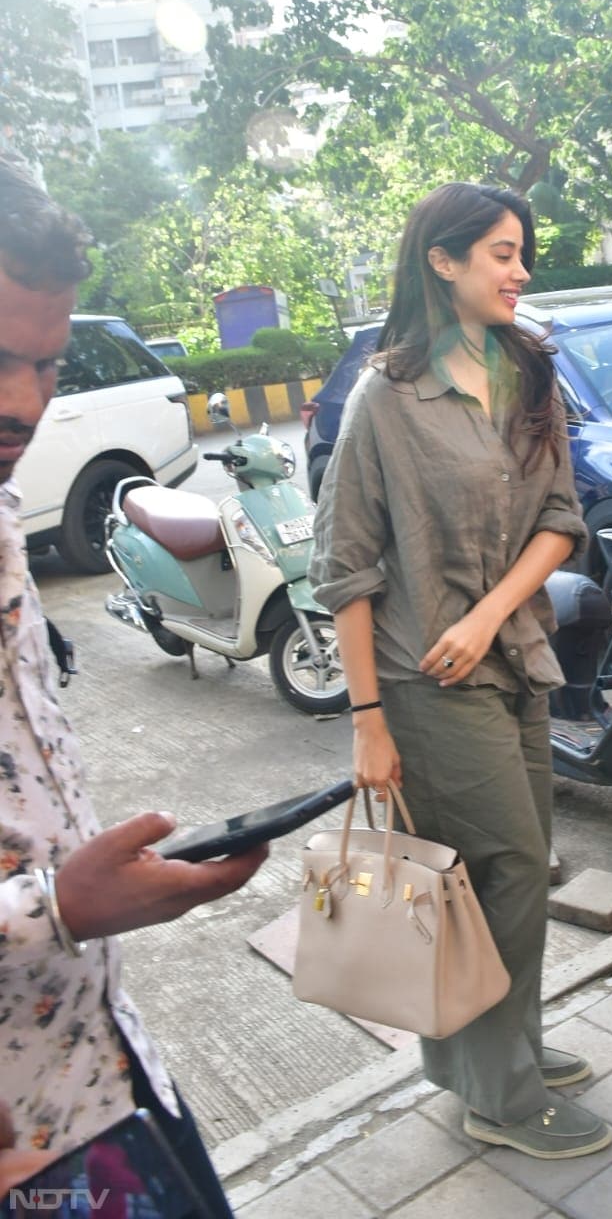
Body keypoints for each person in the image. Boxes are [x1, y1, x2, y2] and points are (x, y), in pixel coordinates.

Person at [310, 182, 612, 1160]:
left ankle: (497, 1049)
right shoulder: (385, 399)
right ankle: (498, 1092)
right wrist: (367, 722)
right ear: (441, 261)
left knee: (510, 870)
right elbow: (344, 568)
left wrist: (487, 615)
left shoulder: (530, 372)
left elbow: (562, 518)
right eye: (500, 252)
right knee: (509, 867)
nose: (520, 270)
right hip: (421, 681)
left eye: (521, 251)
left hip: (514, 653)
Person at [0, 155, 265, 1214]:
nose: (22, 403)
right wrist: (57, 906)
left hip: (105, 1074)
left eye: (47, 366)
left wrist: (73, 895)